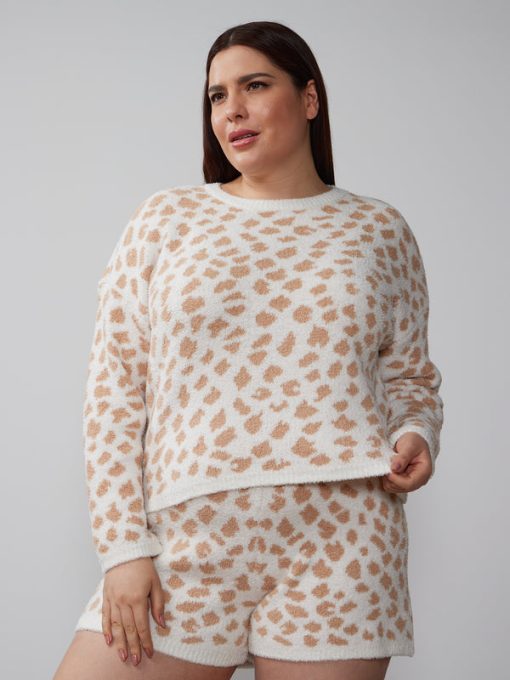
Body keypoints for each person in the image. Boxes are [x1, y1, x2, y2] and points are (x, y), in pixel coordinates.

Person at [53, 20, 444, 680]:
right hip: (185, 537)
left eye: (254, 86)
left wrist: (416, 435)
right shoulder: (167, 219)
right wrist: (122, 548)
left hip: (344, 540)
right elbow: (115, 390)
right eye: (216, 96)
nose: (230, 109)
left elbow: (411, 379)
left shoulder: (379, 230)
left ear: (309, 98)